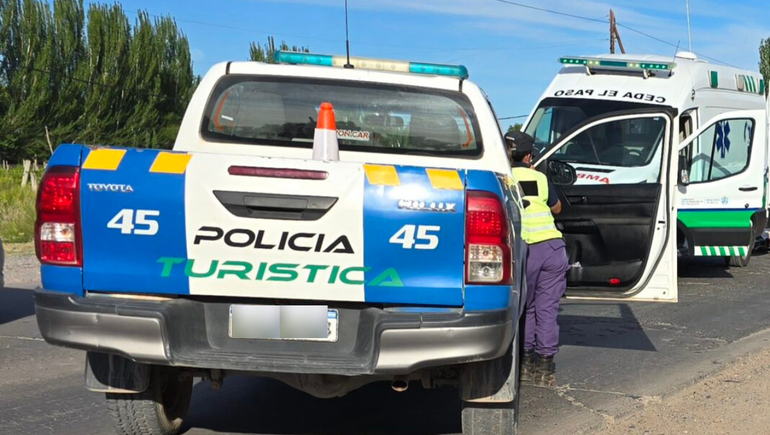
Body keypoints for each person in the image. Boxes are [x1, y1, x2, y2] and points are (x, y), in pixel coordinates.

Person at [505, 131, 570, 387]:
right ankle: (545, 370)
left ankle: (524, 366)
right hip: (552, 248)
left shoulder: (504, 178)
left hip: (525, 249)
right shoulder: (540, 178)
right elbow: (557, 208)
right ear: (529, 155)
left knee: (526, 308)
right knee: (547, 310)